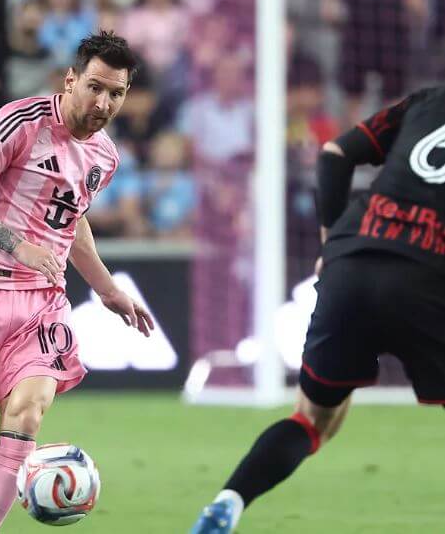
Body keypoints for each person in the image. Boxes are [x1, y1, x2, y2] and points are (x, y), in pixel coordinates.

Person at [191, 87, 445, 533]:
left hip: (351, 262)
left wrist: (331, 242)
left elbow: (333, 154)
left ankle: (228, 501)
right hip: (424, 275)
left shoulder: (427, 100)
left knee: (312, 419)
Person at [0, 31, 154, 534]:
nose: (103, 103)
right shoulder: (20, 122)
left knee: (25, 417)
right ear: (70, 80)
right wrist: (20, 247)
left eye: (116, 93)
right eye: (95, 87)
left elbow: (70, 222)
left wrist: (107, 289)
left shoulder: (104, 157)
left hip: (41, 304)